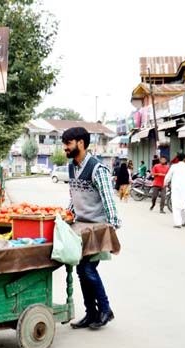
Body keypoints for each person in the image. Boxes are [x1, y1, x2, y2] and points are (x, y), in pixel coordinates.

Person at [62, 127, 120, 330]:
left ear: (80, 143)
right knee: (80, 270)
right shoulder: (72, 167)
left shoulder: (97, 169)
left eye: (68, 143)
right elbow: (74, 197)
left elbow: (107, 197)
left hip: (97, 228)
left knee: (88, 268)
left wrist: (113, 223)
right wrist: (65, 214)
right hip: (79, 227)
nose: (65, 148)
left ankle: (105, 309)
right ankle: (91, 313)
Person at [164, 153, 185, 228]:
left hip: (176, 189)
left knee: (176, 205)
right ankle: (183, 221)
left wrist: (165, 183)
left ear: (177, 159)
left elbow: (168, 176)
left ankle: (178, 223)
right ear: (184, 159)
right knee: (183, 205)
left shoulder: (174, 166)